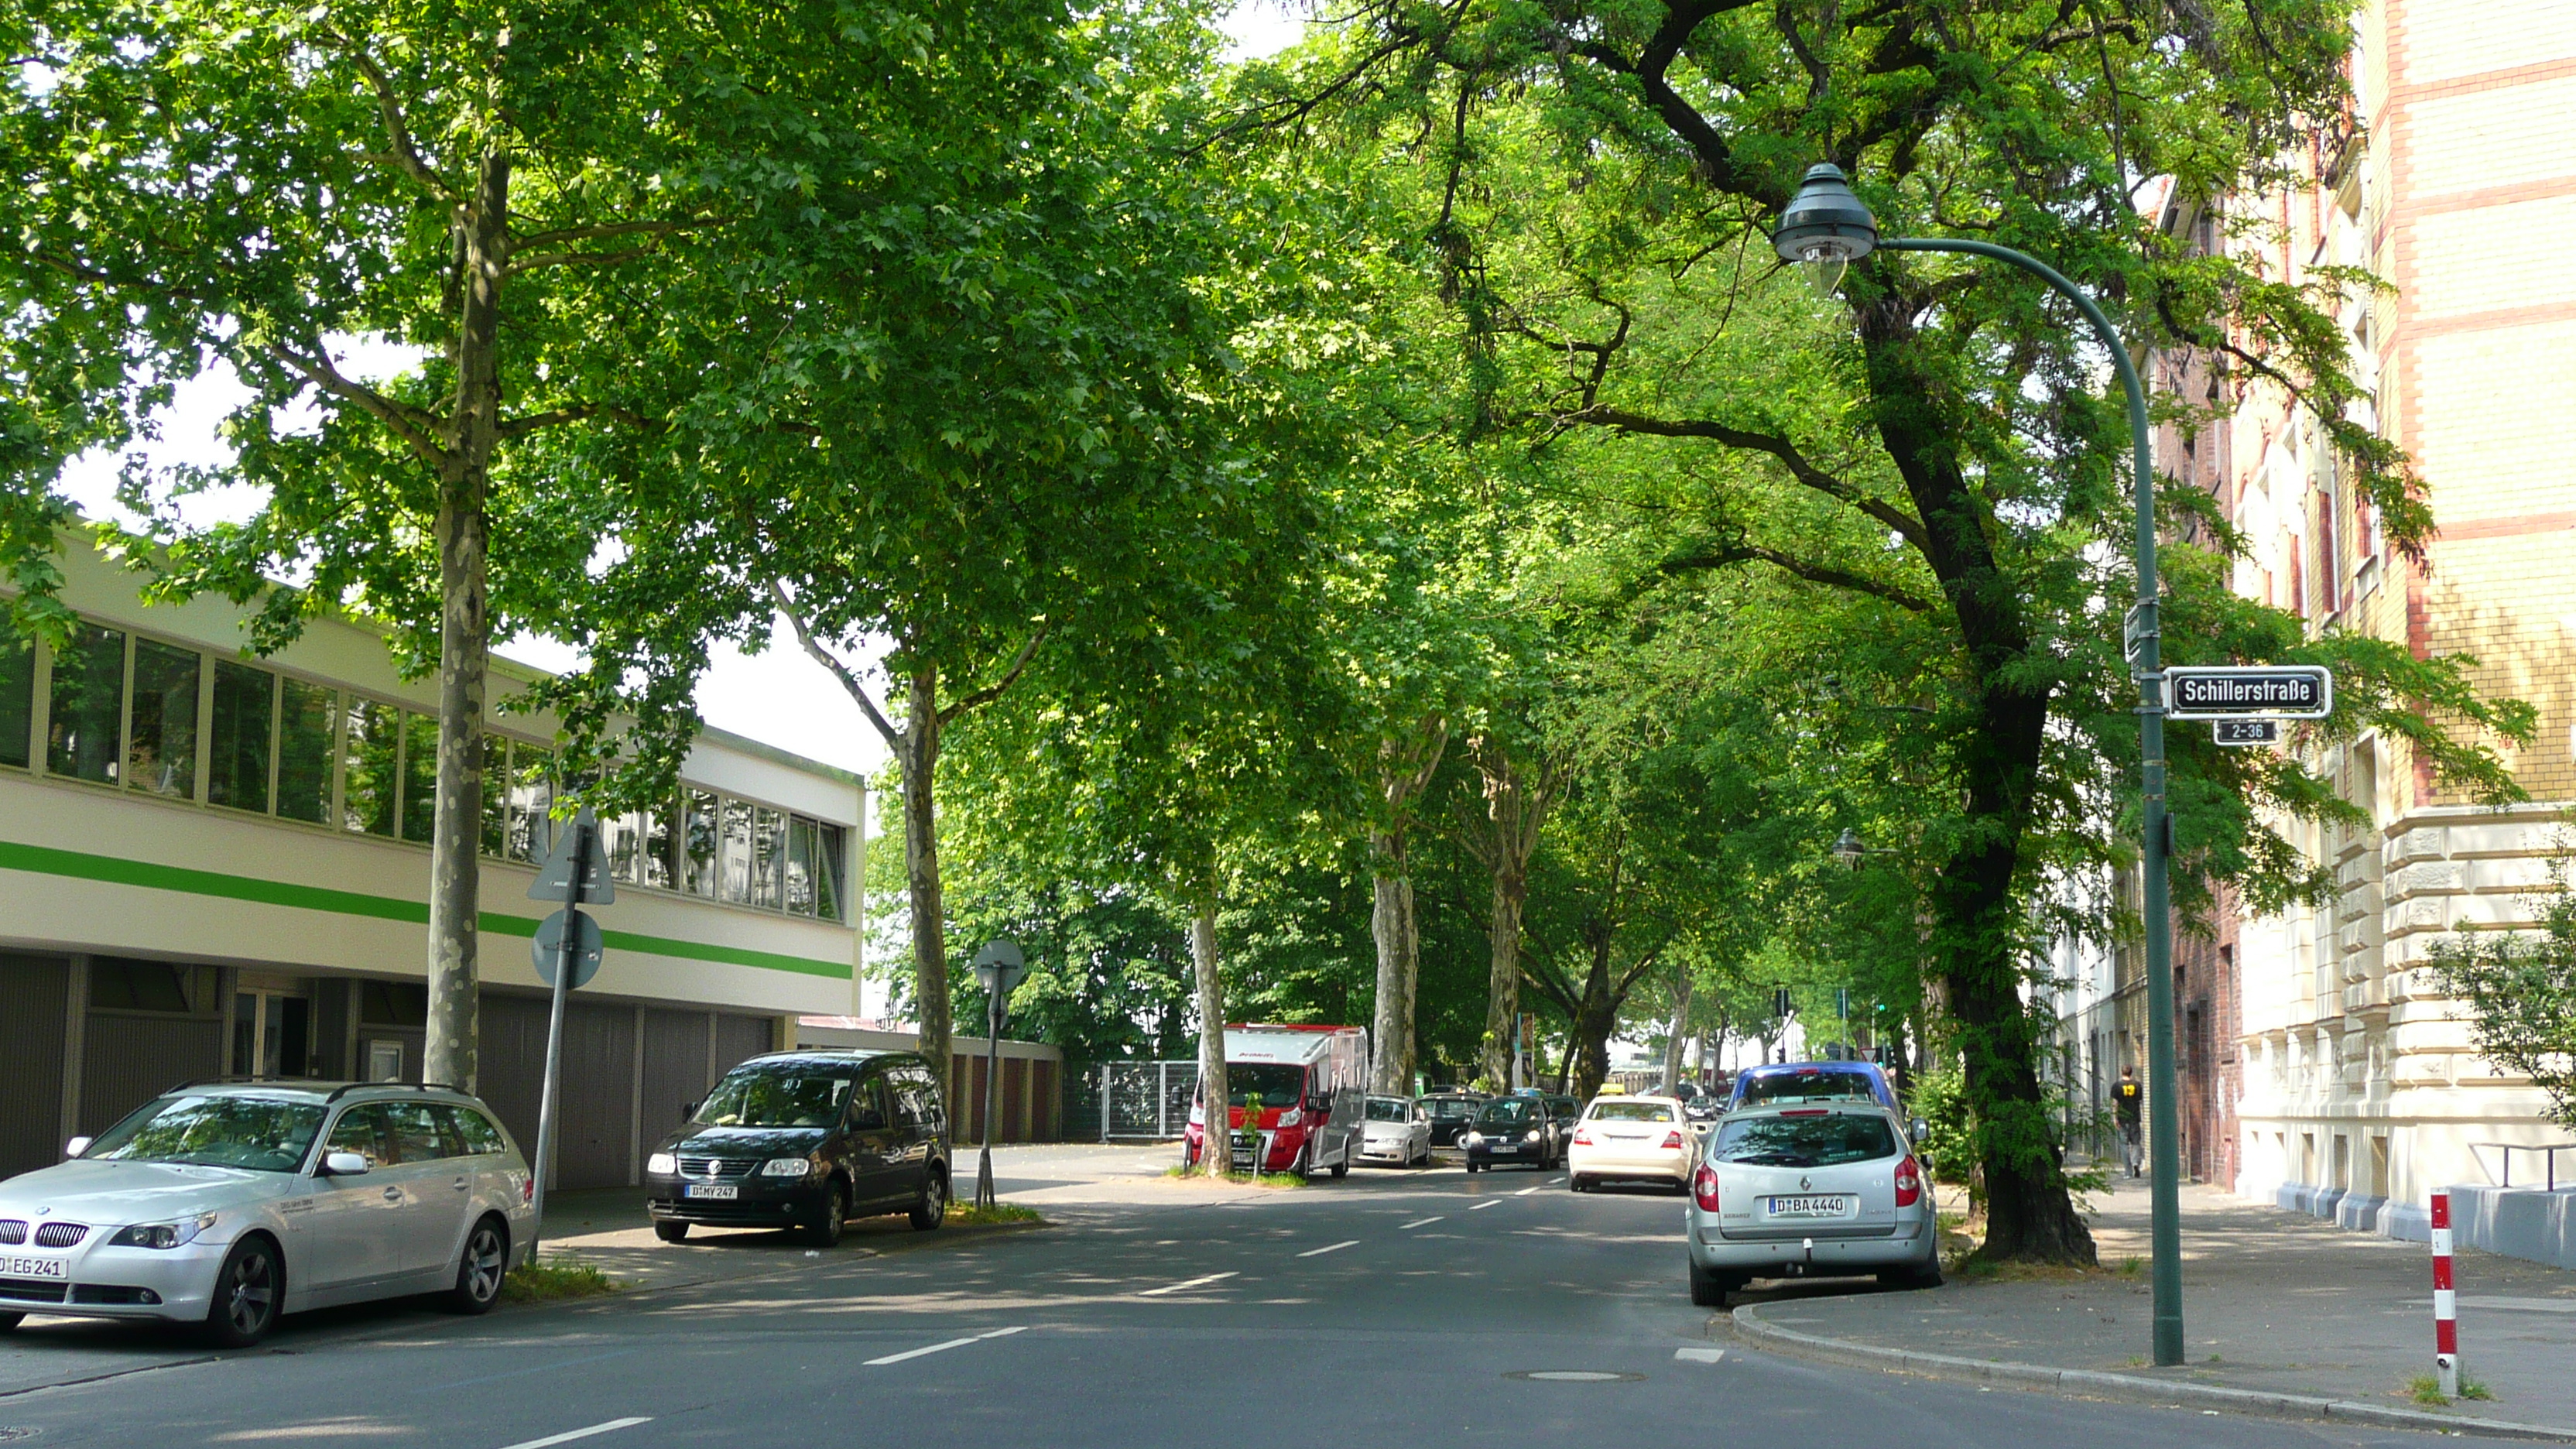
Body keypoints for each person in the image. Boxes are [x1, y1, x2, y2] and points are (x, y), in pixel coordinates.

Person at [2112, 1066, 2144, 1178]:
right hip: (2135, 1118)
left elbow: (2115, 1103)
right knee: (2136, 1143)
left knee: (2124, 1145)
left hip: (2122, 1118)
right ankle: (2136, 1163)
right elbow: (2140, 1101)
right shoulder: (2137, 1085)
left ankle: (2128, 1172)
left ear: (2122, 1072)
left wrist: (2115, 1117)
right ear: (2131, 1072)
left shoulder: (2117, 1086)